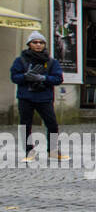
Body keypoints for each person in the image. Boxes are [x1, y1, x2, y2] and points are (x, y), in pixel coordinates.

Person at [9, 30, 66, 162]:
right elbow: (14, 77)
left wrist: (43, 78)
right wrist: (25, 77)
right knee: (25, 125)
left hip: (44, 97)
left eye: (41, 42)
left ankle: (52, 150)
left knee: (52, 124)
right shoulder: (20, 60)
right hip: (26, 97)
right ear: (29, 44)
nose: (38, 45)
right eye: (35, 42)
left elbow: (58, 79)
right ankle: (29, 151)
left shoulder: (51, 62)